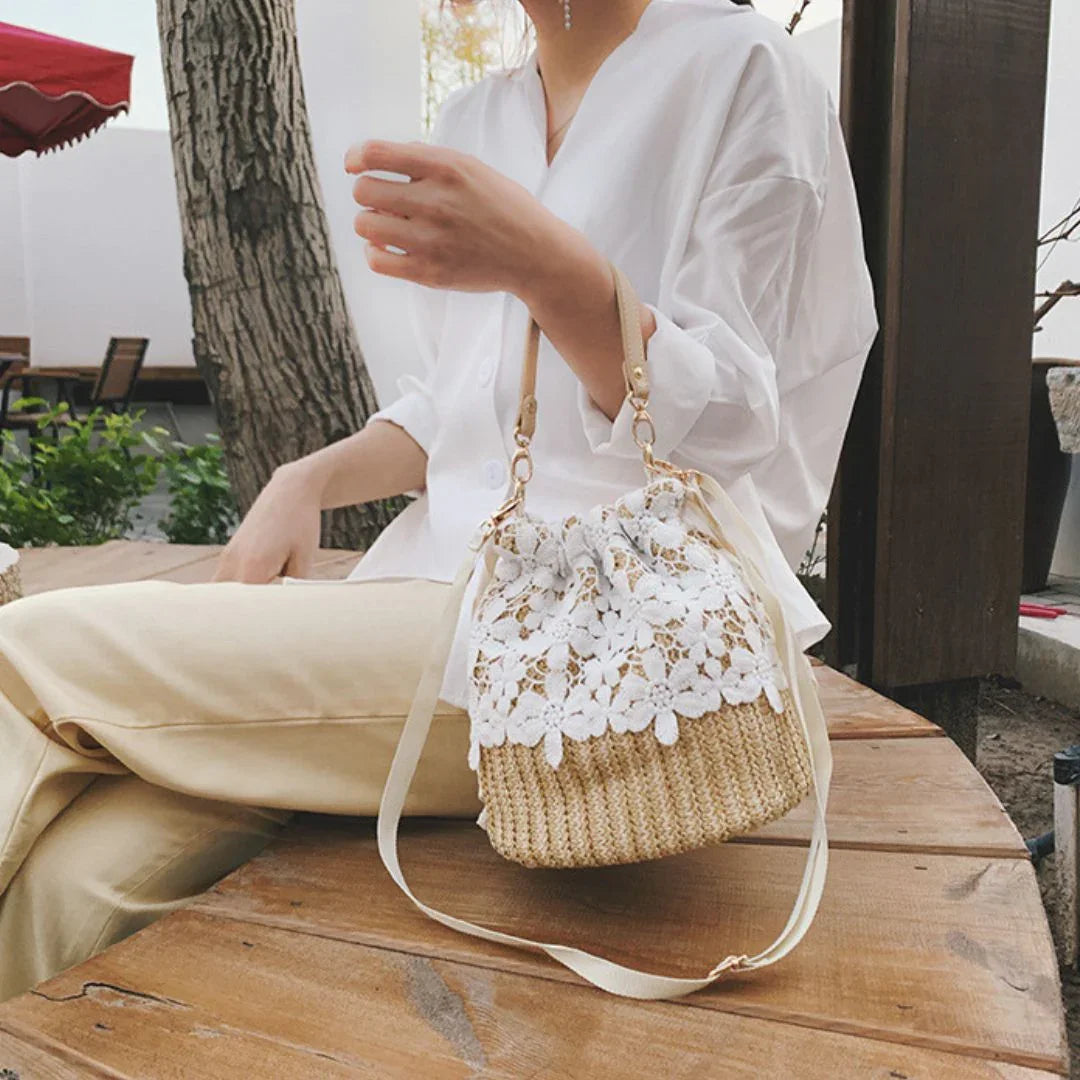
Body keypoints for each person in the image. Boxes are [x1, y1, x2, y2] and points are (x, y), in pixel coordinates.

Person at [0, 0, 878, 1001]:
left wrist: (549, 268)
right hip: (419, 611)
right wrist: (310, 479)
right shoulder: (475, 118)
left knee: (29, 653)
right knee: (87, 874)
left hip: (594, 646)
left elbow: (734, 419)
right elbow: (459, 407)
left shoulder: (741, 68)